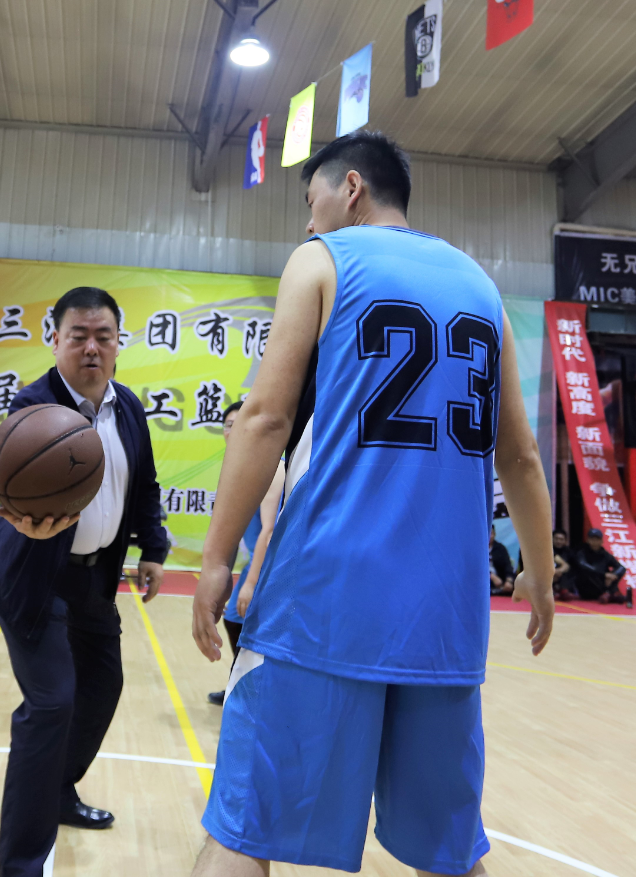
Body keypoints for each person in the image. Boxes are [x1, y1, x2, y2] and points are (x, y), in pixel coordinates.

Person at [190, 130, 555, 877]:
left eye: (311, 199)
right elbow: (519, 456)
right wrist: (541, 574)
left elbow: (264, 419)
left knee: (241, 834)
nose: (308, 220)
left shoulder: (322, 259)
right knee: (450, 854)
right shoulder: (481, 287)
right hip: (445, 617)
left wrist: (216, 557)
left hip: (322, 598)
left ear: (350, 188)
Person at [0, 286, 169, 877]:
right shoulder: (32, 406)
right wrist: (24, 520)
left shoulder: (128, 406)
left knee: (102, 688)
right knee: (51, 702)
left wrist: (154, 548)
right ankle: (22, 863)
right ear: (54, 339)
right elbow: (9, 490)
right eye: (78, 336)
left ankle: (58, 791)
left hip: (95, 580)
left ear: (118, 342)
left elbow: (144, 485)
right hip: (34, 579)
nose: (91, 348)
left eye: (103, 337)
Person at [207, 401, 284, 707]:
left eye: (241, 424)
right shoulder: (238, 469)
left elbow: (269, 531)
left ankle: (246, 690)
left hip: (271, 565)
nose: (234, 431)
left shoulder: (271, 467)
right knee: (237, 621)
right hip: (257, 562)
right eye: (229, 425)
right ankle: (240, 686)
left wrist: (250, 583)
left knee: (241, 621)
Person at [571, 528, 630, 606]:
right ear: (588, 540)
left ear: (601, 541)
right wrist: (604, 575)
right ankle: (611, 594)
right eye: (592, 539)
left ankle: (608, 593)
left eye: (597, 539)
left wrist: (613, 575)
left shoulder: (605, 554)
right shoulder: (581, 553)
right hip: (586, 587)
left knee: (616, 572)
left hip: (602, 585)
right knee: (587, 572)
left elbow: (621, 568)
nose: (595, 542)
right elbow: (583, 566)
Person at [488, 525, 515, 596]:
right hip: (486, 580)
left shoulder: (500, 548)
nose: (489, 536)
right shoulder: (478, 549)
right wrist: (491, 575)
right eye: (487, 534)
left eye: (491, 534)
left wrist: (509, 581)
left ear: (494, 534)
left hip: (500, 580)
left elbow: (508, 565)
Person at [551, 529, 577, 600]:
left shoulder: (568, 551)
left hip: (560, 576)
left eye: (561, 539)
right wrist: (553, 573)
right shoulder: (547, 550)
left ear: (565, 541)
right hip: (548, 576)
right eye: (556, 539)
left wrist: (558, 571)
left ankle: (564, 590)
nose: (558, 541)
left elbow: (567, 566)